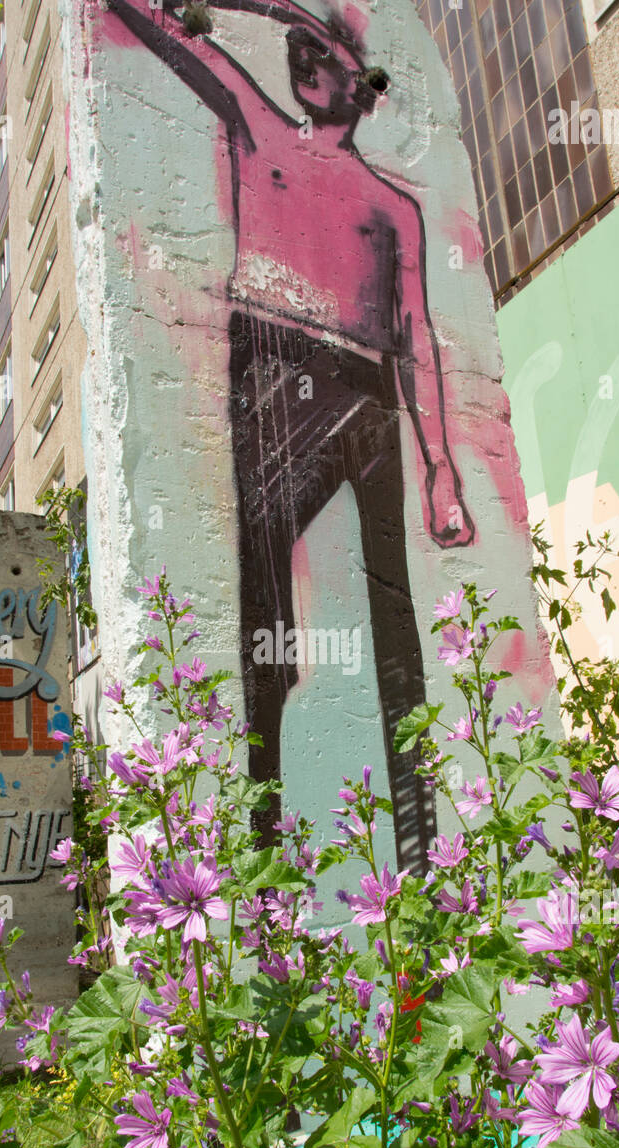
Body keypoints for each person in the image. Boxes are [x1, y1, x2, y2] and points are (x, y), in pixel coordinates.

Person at [105, 0, 475, 872]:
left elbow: (418, 337)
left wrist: (440, 470)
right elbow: (167, 32)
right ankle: (265, 856)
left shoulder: (393, 205)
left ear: (362, 88)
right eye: (298, 47)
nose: (306, 60)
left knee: (398, 624)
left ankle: (420, 848)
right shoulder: (254, 126)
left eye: (327, 52)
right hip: (271, 367)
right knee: (262, 611)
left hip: (371, 394)